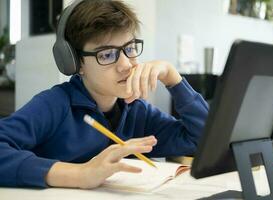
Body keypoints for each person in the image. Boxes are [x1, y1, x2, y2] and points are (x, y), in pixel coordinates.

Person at [0, 0, 208, 189]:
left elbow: (203, 141)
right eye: (107, 54)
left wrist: (173, 79)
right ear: (75, 62)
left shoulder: (137, 111)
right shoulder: (55, 104)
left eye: (130, 48)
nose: (126, 65)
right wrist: (78, 174)